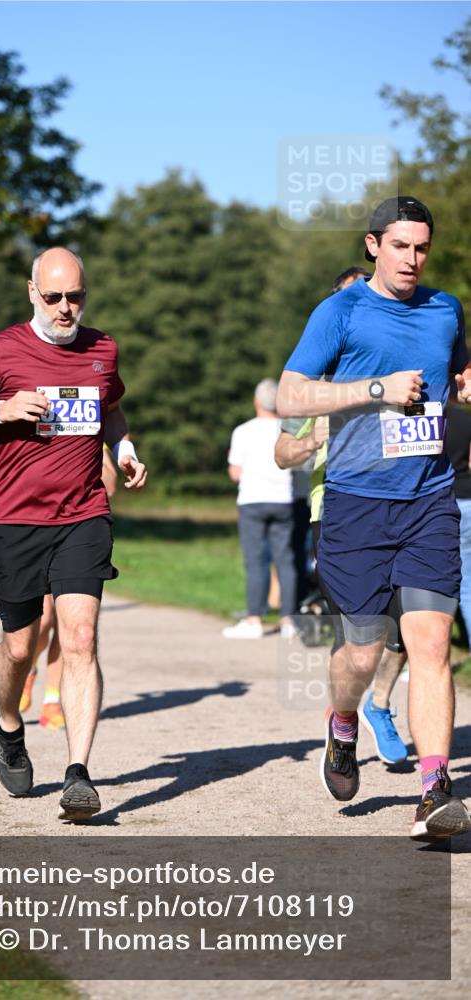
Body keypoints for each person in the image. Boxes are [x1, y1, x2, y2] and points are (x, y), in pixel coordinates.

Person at [277, 195, 471, 841]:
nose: (411, 259)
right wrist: (373, 388)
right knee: (360, 655)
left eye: (420, 247)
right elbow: (290, 393)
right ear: (371, 246)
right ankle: (340, 722)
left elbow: (455, 370)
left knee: (429, 645)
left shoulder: (444, 309)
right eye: (398, 246)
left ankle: (433, 788)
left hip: (428, 500)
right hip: (356, 505)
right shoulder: (340, 311)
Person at [0, 246, 147, 821]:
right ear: (33, 292)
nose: (64, 307)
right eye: (52, 297)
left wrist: (122, 448)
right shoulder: (2, 350)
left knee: (79, 638)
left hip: (83, 514)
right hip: (14, 520)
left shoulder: (103, 348)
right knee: (21, 647)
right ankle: (9, 724)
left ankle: (78, 774)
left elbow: (112, 409)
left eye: (74, 296)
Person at [275, 267, 409, 767]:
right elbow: (282, 452)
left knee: (409, 624)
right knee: (357, 633)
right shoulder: (316, 382)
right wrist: (315, 439)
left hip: (402, 508)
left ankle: (378, 705)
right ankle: (345, 721)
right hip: (332, 512)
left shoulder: (400, 374)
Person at [19, 444, 120, 731]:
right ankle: (28, 667)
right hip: (34, 529)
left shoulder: (90, 430)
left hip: (77, 534)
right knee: (44, 619)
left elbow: (110, 486)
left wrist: (98, 450)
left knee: (72, 626)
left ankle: (53, 700)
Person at [222, 378, 297, 639]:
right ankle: (289, 620)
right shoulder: (288, 429)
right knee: (286, 560)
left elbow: (234, 473)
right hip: (283, 499)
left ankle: (254, 619)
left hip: (253, 501)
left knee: (255, 561)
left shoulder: (243, 431)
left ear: (256, 401)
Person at [446, 402, 471, 641]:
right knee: (468, 581)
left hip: (443, 503)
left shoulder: (418, 416)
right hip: (468, 499)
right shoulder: (464, 418)